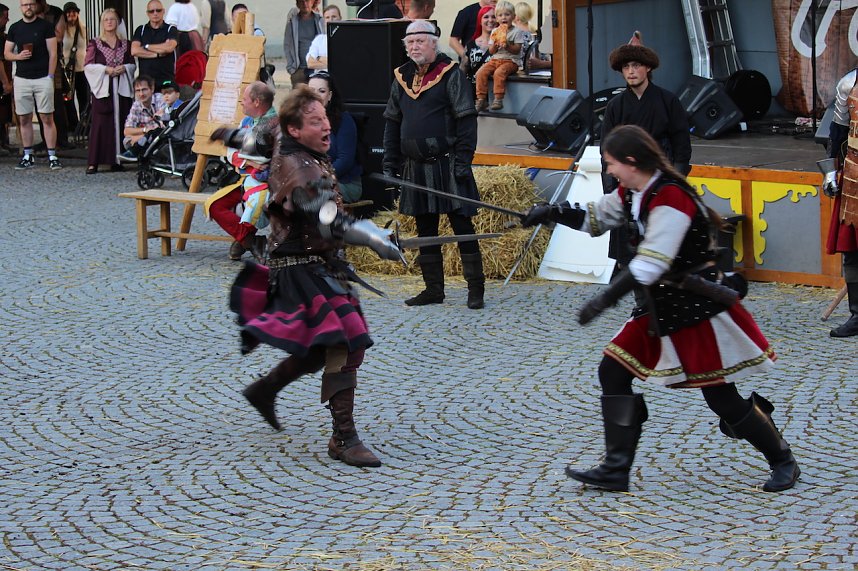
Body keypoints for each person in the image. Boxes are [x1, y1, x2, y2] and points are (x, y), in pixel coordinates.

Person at [521, 124, 801, 494]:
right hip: (660, 305)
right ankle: (615, 469)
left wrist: (603, 300)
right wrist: (552, 212)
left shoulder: (671, 197)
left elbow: (651, 264)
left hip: (697, 307)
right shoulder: (632, 192)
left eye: (611, 163)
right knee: (612, 371)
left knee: (720, 398)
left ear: (631, 161)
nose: (609, 170)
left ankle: (782, 459)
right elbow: (596, 218)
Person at [230, 84, 402, 468]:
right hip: (299, 268)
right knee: (345, 342)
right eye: (315, 122)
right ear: (295, 129)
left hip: (319, 262)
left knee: (320, 348)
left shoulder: (286, 137)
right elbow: (328, 219)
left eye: (325, 118)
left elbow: (258, 136)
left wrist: (228, 134)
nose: (326, 127)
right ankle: (344, 437)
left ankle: (265, 390)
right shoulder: (299, 168)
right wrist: (374, 237)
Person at [382, 20, 486, 310]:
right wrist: (390, 163)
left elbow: (466, 120)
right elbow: (392, 122)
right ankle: (433, 289)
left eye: (420, 41)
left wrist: (463, 161)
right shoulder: (401, 77)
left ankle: (475, 289)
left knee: (462, 226)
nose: (414, 46)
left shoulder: (450, 74)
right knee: (425, 229)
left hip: (448, 164)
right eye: (410, 42)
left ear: (433, 43)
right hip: (415, 166)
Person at [601, 31, 692, 272]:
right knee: (627, 237)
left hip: (659, 173)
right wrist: (611, 184)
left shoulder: (668, 101)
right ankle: (627, 271)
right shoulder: (616, 106)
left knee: (660, 231)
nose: (631, 71)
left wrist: (677, 178)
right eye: (626, 67)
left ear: (648, 68)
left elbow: (682, 143)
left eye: (636, 65)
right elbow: (606, 148)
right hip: (627, 176)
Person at [205, 80, 277, 261]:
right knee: (215, 205)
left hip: (267, 184)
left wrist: (247, 158)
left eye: (244, 99)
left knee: (256, 204)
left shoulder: (274, 124)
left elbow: (266, 158)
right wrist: (250, 162)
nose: (241, 102)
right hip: (244, 181)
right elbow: (231, 155)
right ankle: (250, 242)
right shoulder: (246, 121)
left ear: (257, 102)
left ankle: (244, 240)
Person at [4, 0, 62, 169]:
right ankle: (28, 155)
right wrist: (18, 56)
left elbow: (53, 53)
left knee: (47, 117)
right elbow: (7, 53)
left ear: (35, 6)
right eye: (25, 4)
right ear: (20, 7)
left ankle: (52, 155)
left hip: (43, 77)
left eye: (31, 4)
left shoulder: (45, 26)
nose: (28, 7)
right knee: (24, 118)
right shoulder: (15, 28)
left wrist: (50, 76)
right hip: (22, 78)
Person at [823, 68, 858, 338]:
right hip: (855, 175)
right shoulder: (849, 82)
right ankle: (857, 314)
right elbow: (837, 133)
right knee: (853, 250)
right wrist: (829, 172)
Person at [83, 7, 134, 174]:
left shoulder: (125, 44)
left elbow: (133, 64)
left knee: (121, 121)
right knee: (101, 123)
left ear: (117, 22)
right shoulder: (95, 43)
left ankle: (117, 159)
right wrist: (105, 70)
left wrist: (124, 68)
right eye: (106, 19)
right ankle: (94, 162)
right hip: (104, 88)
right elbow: (88, 66)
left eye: (112, 19)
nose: (109, 22)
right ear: (102, 23)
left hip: (120, 88)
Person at [308, 70, 362, 202]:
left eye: (321, 91)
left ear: (330, 95)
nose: (316, 96)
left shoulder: (344, 121)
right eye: (311, 91)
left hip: (343, 183)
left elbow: (345, 160)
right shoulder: (300, 120)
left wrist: (319, 177)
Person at [474, 0, 525, 112]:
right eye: (500, 15)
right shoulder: (495, 31)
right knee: (480, 72)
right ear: (497, 19)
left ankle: (498, 99)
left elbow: (517, 50)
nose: (504, 17)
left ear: (513, 17)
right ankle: (481, 99)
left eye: (507, 14)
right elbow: (491, 51)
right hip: (495, 59)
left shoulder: (517, 32)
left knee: (499, 73)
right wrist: (495, 44)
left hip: (511, 61)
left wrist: (507, 45)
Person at [130, 0, 178, 90]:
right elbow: (134, 51)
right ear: (147, 13)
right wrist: (158, 54)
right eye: (151, 11)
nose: (155, 13)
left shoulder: (171, 29)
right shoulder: (141, 30)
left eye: (158, 10)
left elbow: (169, 47)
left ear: (163, 11)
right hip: (145, 83)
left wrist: (146, 46)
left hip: (166, 81)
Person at [119, 74, 164, 160]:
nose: (141, 94)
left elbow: (162, 126)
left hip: (160, 136)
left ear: (152, 89)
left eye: (144, 90)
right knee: (127, 140)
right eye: (138, 91)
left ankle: (135, 152)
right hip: (147, 136)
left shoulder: (160, 99)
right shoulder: (136, 105)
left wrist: (137, 138)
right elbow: (127, 131)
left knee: (157, 134)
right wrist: (145, 130)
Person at [283, 0, 322, 87]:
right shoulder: (292, 23)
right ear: (297, 3)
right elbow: (287, 45)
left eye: (307, 1)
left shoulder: (319, 20)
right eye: (301, 1)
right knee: (299, 95)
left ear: (313, 2)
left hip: (316, 69)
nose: (305, 4)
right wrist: (291, 67)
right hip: (299, 70)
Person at [459, 4, 496, 92]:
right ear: (480, 20)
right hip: (473, 91)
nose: (490, 20)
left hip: (495, 91)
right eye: (486, 17)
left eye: (493, 17)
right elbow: (463, 70)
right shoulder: (470, 45)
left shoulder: (502, 44)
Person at [62, 2, 87, 129]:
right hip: (68, 70)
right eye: (69, 12)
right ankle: (72, 124)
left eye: (74, 12)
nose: (71, 14)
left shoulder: (83, 30)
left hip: (82, 69)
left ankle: (84, 124)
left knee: (84, 98)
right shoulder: (62, 31)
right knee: (69, 99)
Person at [305, 3, 339, 72]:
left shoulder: (346, 39)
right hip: (321, 75)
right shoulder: (318, 40)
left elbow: (346, 62)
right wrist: (334, 63)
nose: (331, 20)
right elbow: (310, 63)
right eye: (327, 17)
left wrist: (319, 58)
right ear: (324, 21)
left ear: (340, 18)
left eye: (334, 16)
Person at [0, 3, 14, 156]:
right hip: (2, 80)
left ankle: (3, 141)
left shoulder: (3, 37)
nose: (7, 20)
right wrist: (5, 82)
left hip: (5, 77)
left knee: (4, 113)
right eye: (5, 17)